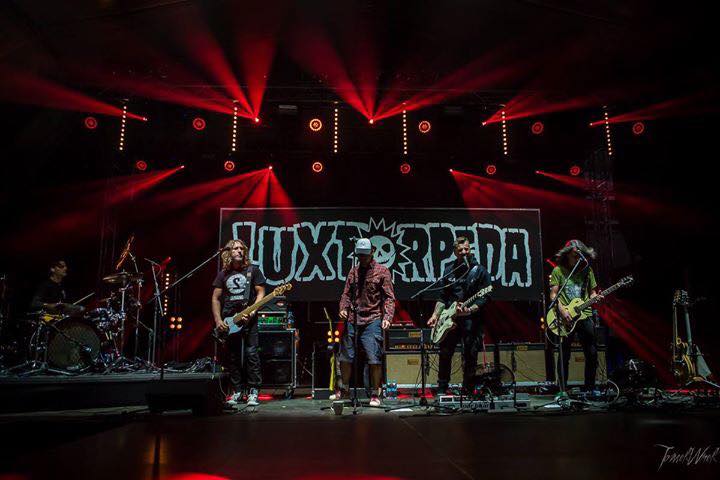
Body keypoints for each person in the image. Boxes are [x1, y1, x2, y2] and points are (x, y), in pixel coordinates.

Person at [428, 236, 491, 395]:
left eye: (466, 249)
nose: (463, 252)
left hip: (471, 319)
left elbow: (485, 296)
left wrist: (471, 309)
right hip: (449, 319)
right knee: (445, 352)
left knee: (470, 354)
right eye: (460, 250)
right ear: (455, 252)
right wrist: (435, 315)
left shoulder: (479, 270)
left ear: (470, 249)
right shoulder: (449, 269)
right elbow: (443, 296)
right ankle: (442, 387)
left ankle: (468, 388)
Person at [336, 238, 396, 407]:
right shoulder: (353, 272)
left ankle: (375, 393)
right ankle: (345, 388)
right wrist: (343, 308)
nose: (362, 258)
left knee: (373, 357)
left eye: (365, 255)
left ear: (372, 252)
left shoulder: (382, 271)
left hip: (372, 319)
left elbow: (389, 298)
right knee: (345, 356)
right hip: (353, 319)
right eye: (360, 255)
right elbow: (346, 294)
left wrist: (387, 318)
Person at [212, 239, 266, 407]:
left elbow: (261, 293)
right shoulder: (223, 274)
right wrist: (218, 320)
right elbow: (215, 298)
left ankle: (253, 391)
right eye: (235, 248)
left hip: (249, 319)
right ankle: (237, 390)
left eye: (241, 248)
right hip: (229, 320)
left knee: (252, 354)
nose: (239, 251)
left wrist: (252, 312)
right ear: (229, 252)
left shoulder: (252, 270)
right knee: (233, 356)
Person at [549, 239, 601, 393]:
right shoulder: (558, 271)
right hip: (565, 317)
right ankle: (562, 389)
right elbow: (553, 295)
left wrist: (595, 297)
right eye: (574, 255)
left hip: (584, 315)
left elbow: (592, 292)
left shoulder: (588, 271)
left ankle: (589, 388)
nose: (577, 258)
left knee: (592, 353)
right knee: (564, 354)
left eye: (580, 255)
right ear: (567, 255)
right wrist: (562, 311)